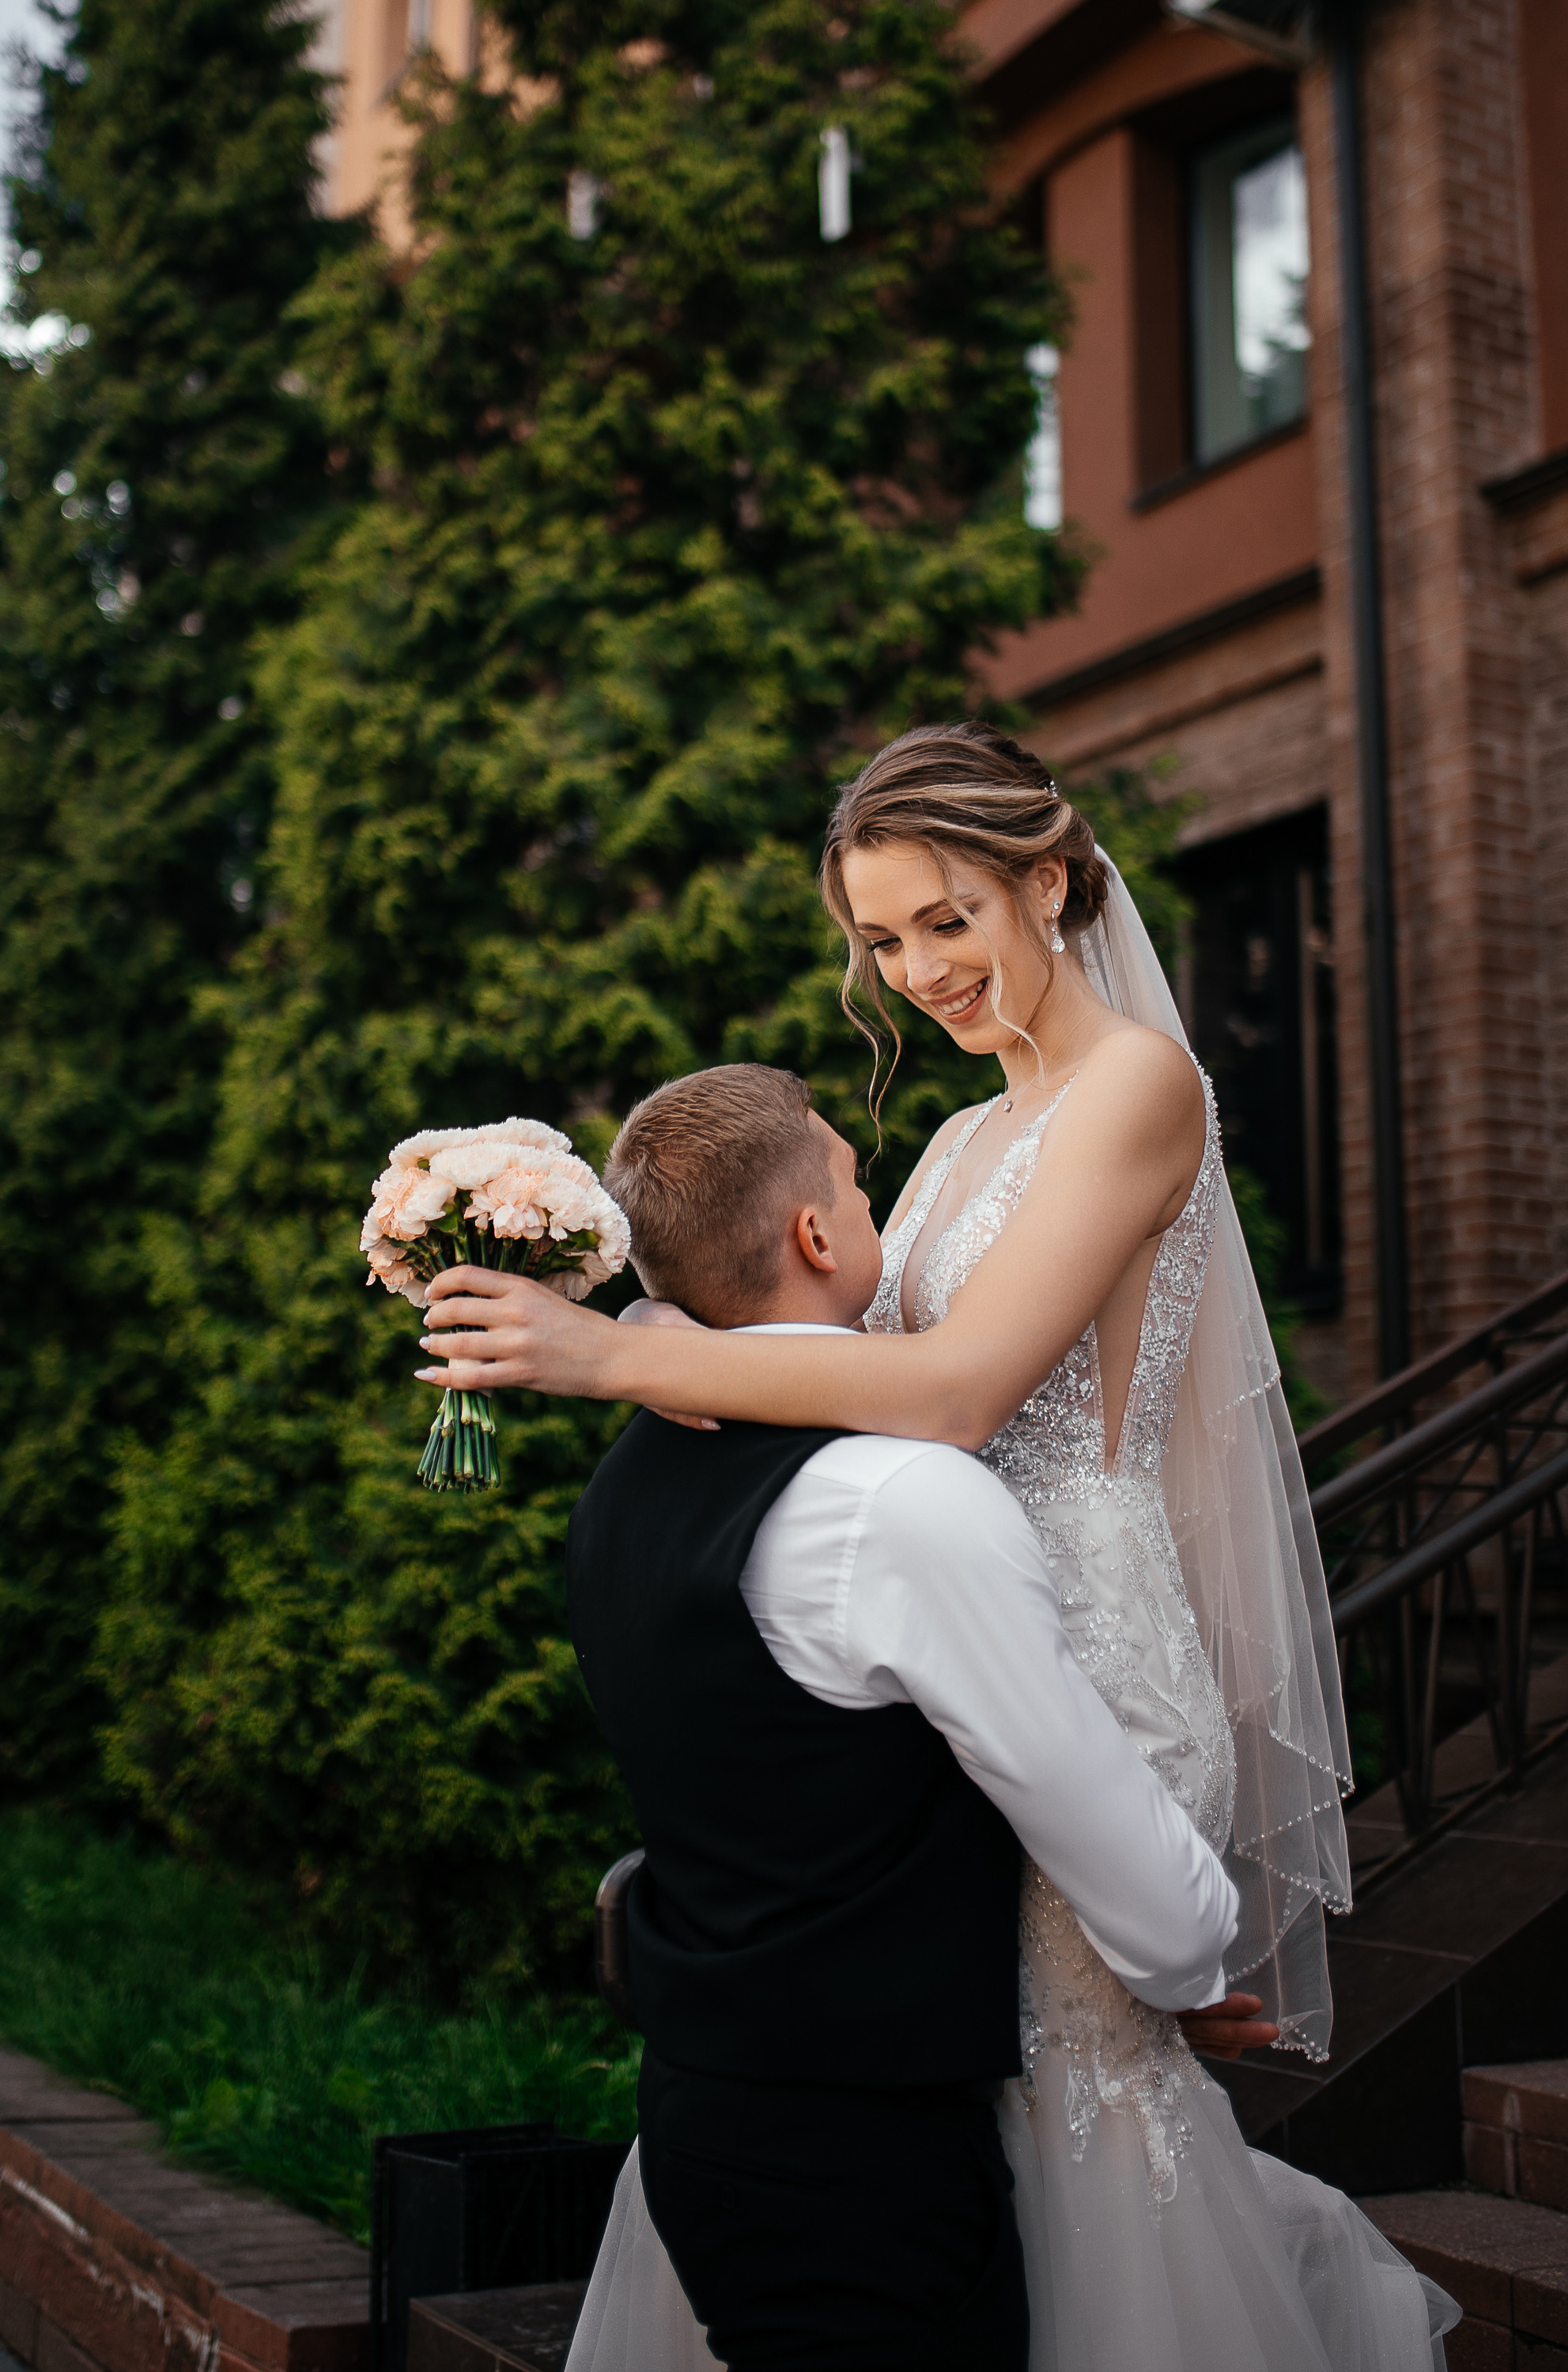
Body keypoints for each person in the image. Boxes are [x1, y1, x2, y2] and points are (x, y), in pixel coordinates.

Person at [420, 723, 1460, 2370]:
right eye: (882, 939)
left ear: (1045, 883)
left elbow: (957, 1390)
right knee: (979, 2097)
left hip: (1079, 1652)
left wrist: (612, 1353)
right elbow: (828, 1366)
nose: (916, 970)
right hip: (944, 1658)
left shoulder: (1137, 1087)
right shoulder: (971, 1132)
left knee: (1084, 2107)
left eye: (946, 920)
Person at [561, 1061, 1249, 2372]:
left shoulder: (629, 1477)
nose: (877, 1201)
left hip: (707, 2107)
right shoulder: (900, 1498)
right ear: (817, 1236)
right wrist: (1191, 1965)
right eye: (857, 1183)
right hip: (862, 2159)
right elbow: (1067, 1783)